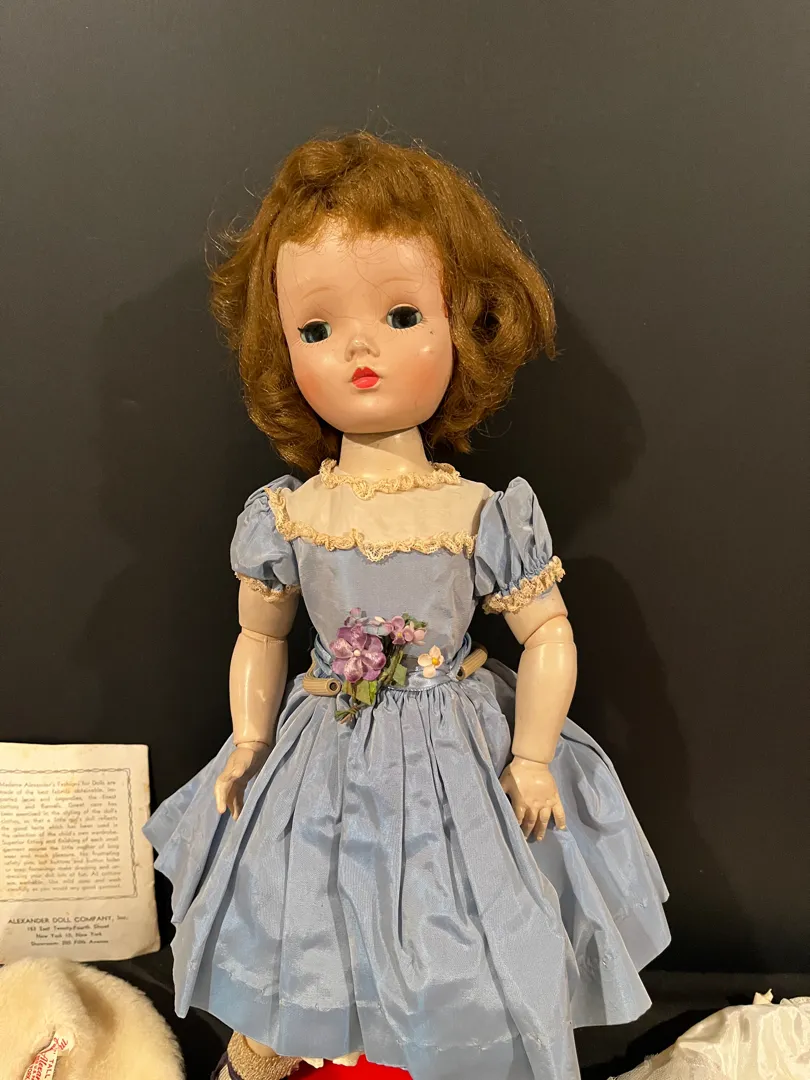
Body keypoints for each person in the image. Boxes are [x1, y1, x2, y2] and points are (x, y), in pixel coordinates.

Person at [145, 133, 670, 1080]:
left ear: (466, 324)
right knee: (308, 916)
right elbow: (259, 634)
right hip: (323, 747)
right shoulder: (289, 515)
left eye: (400, 315)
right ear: (281, 347)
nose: (360, 349)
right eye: (316, 329)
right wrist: (249, 740)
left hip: (455, 748)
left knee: (456, 925)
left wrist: (533, 756)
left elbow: (548, 633)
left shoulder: (478, 514)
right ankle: (289, 1050)